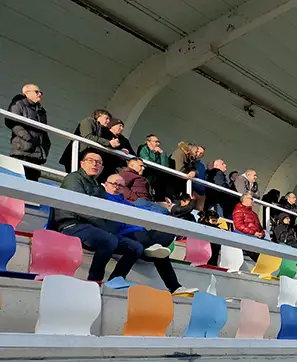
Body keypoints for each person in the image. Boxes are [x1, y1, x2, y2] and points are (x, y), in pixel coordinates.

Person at [49, 151, 143, 284]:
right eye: (90, 160)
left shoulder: (98, 187)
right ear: (82, 163)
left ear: (102, 168)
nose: (95, 164)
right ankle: (94, 280)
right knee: (109, 240)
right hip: (72, 224)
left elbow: (106, 212)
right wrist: (106, 228)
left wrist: (110, 228)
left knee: (135, 248)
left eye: (98, 162)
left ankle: (115, 280)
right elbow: (79, 207)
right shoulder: (73, 178)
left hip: (93, 228)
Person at [102, 174, 196, 295]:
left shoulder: (127, 202)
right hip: (123, 233)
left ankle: (153, 251)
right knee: (159, 254)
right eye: (113, 184)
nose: (117, 187)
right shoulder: (102, 197)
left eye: (120, 185)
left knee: (169, 231)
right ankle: (174, 286)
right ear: (106, 184)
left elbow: (144, 211)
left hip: (140, 233)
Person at [6, 83, 50, 181]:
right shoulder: (18, 103)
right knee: (18, 183)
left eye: (40, 92)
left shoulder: (41, 110)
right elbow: (10, 120)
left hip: (37, 156)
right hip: (22, 153)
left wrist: (46, 146)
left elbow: (44, 132)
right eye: (37, 92)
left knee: (32, 187)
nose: (40, 94)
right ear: (26, 93)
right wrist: (27, 138)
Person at [98, 118, 134, 183]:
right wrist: (119, 150)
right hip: (105, 163)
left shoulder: (124, 140)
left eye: (122, 126)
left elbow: (133, 155)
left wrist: (127, 153)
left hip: (119, 166)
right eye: (120, 126)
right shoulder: (103, 134)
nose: (122, 128)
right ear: (112, 126)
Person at [137, 134, 170, 201]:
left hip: (155, 177)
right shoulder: (143, 149)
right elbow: (147, 161)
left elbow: (165, 166)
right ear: (148, 142)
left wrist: (162, 153)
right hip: (145, 174)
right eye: (155, 142)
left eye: (158, 142)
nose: (158, 144)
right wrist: (158, 164)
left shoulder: (159, 152)